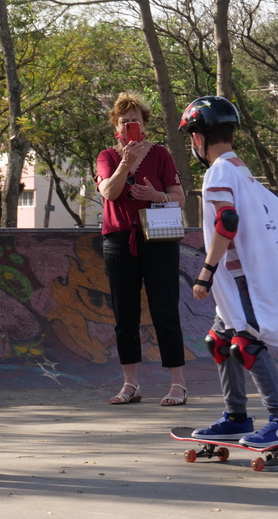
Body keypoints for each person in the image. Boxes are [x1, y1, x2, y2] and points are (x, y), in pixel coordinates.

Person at [178, 96, 278, 448]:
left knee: (246, 344)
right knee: (220, 341)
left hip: (242, 278)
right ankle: (236, 417)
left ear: (199, 137)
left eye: (192, 136)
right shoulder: (239, 169)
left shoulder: (218, 171)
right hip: (240, 278)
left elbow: (227, 221)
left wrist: (206, 272)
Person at [95, 92, 188, 406]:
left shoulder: (160, 154)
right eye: (124, 121)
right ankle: (130, 383)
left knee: (165, 309)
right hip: (119, 240)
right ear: (116, 126)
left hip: (159, 238)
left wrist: (156, 195)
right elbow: (109, 192)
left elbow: (179, 198)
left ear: (144, 124)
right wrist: (126, 163)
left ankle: (177, 383)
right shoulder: (107, 156)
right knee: (125, 314)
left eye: (134, 120)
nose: (129, 125)